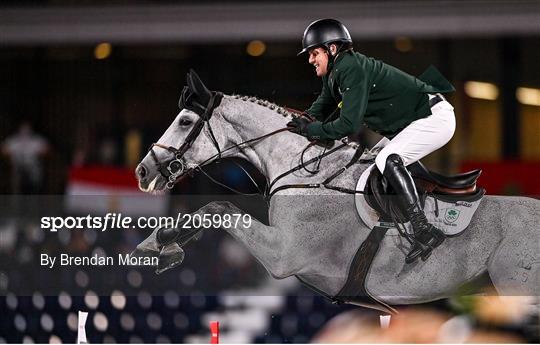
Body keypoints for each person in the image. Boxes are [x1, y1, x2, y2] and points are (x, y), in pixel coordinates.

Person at [288, 19, 456, 263]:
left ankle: (424, 230)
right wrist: (296, 122)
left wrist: (311, 129)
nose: (310, 60)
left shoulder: (350, 68)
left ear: (332, 49)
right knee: (369, 164)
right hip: (412, 122)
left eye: (314, 53)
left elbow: (348, 125)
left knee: (388, 158)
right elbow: (321, 107)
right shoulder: (336, 71)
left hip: (433, 116)